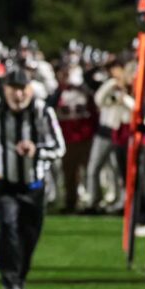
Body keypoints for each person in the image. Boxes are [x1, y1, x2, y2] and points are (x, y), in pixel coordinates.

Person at [0, 68, 66, 289]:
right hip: (1, 181)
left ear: (30, 89)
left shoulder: (43, 111)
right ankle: (9, 282)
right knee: (8, 226)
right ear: (5, 90)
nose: (19, 95)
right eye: (14, 90)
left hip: (33, 184)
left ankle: (20, 278)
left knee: (29, 236)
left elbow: (59, 147)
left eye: (23, 90)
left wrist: (36, 150)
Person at [84, 58, 133, 212]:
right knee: (94, 167)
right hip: (105, 131)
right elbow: (99, 100)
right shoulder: (110, 84)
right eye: (112, 70)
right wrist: (112, 84)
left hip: (121, 133)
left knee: (119, 171)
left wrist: (123, 97)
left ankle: (121, 202)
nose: (114, 72)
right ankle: (93, 201)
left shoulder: (132, 88)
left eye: (117, 69)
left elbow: (133, 109)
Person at [49, 64, 98, 212]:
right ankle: (71, 202)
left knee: (89, 172)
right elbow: (50, 108)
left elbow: (95, 114)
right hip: (67, 138)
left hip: (85, 137)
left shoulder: (86, 94)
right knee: (69, 172)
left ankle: (92, 203)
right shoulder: (59, 93)